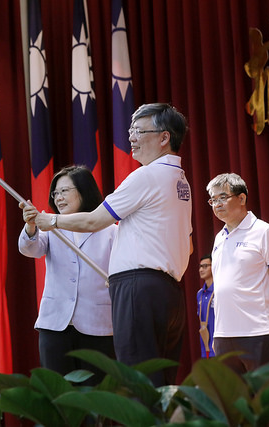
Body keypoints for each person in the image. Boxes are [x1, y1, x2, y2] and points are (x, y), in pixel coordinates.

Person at [33, 103, 193, 386]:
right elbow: (188, 245)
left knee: (138, 380)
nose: (131, 137)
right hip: (170, 292)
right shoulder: (181, 183)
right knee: (162, 383)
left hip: (138, 290)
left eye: (138, 131)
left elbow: (95, 221)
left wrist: (53, 222)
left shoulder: (146, 175)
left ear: (164, 137)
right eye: (131, 130)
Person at [18, 165, 117, 384]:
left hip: (97, 326)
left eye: (64, 191)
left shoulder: (110, 230)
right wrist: (31, 226)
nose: (58, 197)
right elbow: (29, 248)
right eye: (55, 193)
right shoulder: (49, 228)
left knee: (96, 395)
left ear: (84, 190)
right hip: (55, 326)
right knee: (59, 395)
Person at [206, 172, 269, 375]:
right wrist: (215, 334)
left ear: (242, 198)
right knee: (235, 404)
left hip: (259, 332)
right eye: (213, 200)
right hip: (223, 335)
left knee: (264, 402)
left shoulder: (262, 231)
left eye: (223, 197)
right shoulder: (219, 238)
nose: (217, 204)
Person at [197, 254, 215, 358]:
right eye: (200, 266)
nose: (201, 270)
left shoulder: (219, 291)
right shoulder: (199, 294)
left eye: (205, 266)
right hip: (205, 343)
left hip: (218, 344)